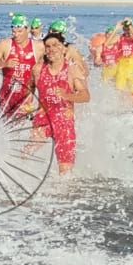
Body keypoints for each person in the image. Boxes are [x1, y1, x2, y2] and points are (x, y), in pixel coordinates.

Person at [33, 26, 92, 174]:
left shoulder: (71, 70)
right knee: (25, 154)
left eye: (55, 45)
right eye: (48, 46)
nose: (51, 49)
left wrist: (67, 96)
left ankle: (64, 194)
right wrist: (25, 105)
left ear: (63, 49)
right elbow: (29, 90)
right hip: (43, 119)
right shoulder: (38, 69)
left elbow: (86, 96)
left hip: (64, 123)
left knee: (65, 171)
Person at [0, 13, 39, 118]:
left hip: (26, 98)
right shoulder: (5, 45)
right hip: (7, 96)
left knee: (23, 127)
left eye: (19, 31)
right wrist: (4, 64)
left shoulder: (38, 47)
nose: (16, 35)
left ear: (28, 30)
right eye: (13, 31)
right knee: (10, 129)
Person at [110, 18, 133, 104]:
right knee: (121, 93)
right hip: (122, 70)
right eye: (125, 28)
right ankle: (123, 110)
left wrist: (130, 26)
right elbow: (108, 44)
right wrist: (116, 29)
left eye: (128, 28)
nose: (127, 29)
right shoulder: (120, 38)